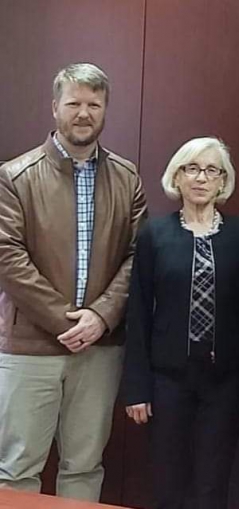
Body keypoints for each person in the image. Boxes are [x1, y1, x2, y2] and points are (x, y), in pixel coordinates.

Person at [0, 63, 147, 501]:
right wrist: (66, 321)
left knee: (84, 466)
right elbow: (7, 255)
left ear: (105, 110)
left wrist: (100, 318)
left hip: (100, 350)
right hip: (30, 347)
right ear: (54, 108)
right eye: (74, 103)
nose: (84, 113)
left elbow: (138, 257)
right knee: (16, 469)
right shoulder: (14, 176)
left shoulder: (128, 178)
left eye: (94, 105)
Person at [122, 137, 239, 509]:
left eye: (212, 170)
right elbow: (138, 311)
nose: (201, 178)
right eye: (192, 168)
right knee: (167, 481)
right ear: (177, 177)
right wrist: (137, 387)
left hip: (224, 382)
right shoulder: (154, 234)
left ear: (223, 180)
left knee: (213, 483)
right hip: (168, 380)